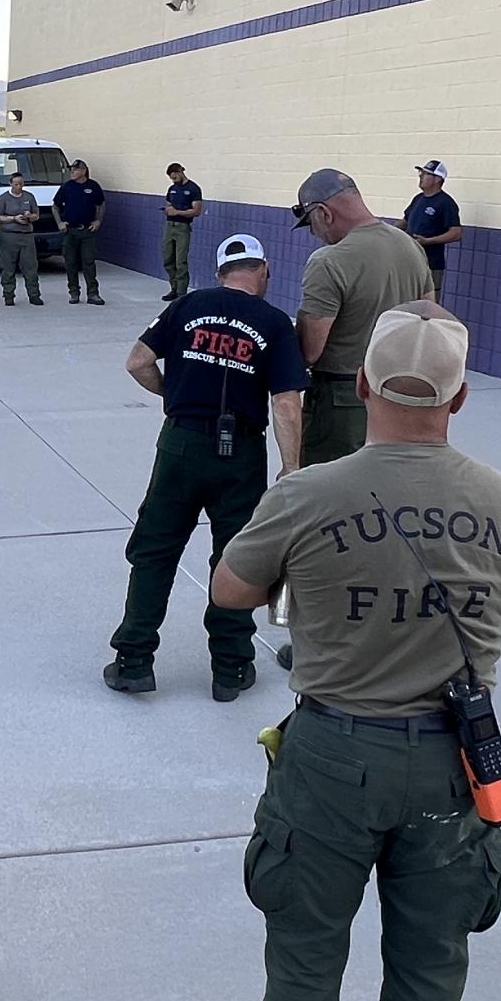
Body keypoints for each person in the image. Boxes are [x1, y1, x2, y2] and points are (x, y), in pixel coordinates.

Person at [210, 302, 501, 1001]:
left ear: (360, 386)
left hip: (332, 755)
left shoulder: (310, 494)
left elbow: (231, 589)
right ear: (460, 396)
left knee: (308, 953)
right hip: (451, 766)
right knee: (433, 959)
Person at [104, 235, 307, 701]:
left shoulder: (186, 307)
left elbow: (137, 361)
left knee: (155, 551)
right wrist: (290, 466)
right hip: (241, 453)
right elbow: (288, 403)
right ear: (264, 270)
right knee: (236, 558)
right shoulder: (275, 323)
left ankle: (133, 661)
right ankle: (231, 668)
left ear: (219, 273)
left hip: (182, 443)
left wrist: (173, 396)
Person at [292, 168, 433, 466]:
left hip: (342, 403)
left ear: (324, 213)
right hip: (399, 395)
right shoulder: (410, 247)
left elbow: (310, 351)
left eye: (311, 223)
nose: (314, 233)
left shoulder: (328, 262)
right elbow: (428, 321)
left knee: (330, 494)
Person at [401, 162, 463, 292]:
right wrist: (388, 232)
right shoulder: (418, 199)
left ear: (437, 179)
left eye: (426, 174)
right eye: (420, 173)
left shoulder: (446, 203)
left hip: (431, 263)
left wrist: (428, 241)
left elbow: (456, 233)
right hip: (410, 260)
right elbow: (404, 221)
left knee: (428, 301)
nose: (421, 176)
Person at [56, 159, 108, 305]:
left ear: (84, 171)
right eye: (71, 169)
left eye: (76, 169)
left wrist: (98, 220)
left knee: (89, 263)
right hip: (70, 231)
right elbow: (56, 206)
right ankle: (74, 292)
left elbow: (101, 204)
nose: (72, 172)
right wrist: (59, 222)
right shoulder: (67, 187)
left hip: (87, 231)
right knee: (70, 263)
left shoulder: (93, 186)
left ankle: (93, 293)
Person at [0, 168, 43, 306]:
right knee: (8, 267)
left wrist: (29, 217)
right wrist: (13, 218)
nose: (19, 186)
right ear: (10, 184)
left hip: (26, 236)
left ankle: (34, 295)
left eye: (21, 183)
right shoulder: (3, 198)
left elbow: (36, 215)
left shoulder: (29, 197)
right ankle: (8, 295)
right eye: (16, 184)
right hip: (9, 236)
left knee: (30, 267)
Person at [160, 164, 204, 301]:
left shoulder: (193, 189)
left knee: (181, 261)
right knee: (168, 258)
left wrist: (177, 212)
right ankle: (173, 287)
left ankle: (181, 292)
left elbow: (197, 211)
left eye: (175, 177)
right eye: (171, 178)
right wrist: (168, 209)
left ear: (181, 172)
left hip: (182, 227)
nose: (174, 180)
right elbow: (168, 203)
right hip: (169, 225)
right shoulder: (172, 189)